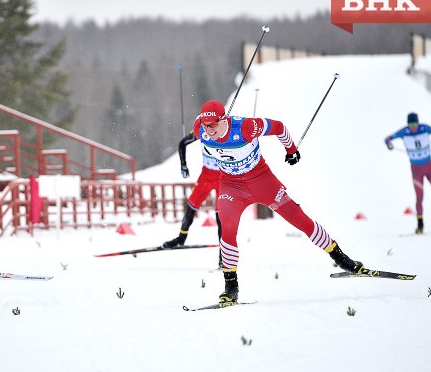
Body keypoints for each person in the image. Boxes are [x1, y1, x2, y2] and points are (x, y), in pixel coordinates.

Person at [193, 100, 364, 305]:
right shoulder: (199, 130)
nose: (208, 130)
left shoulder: (247, 127)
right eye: (205, 124)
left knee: (298, 218)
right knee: (227, 228)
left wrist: (291, 150)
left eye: (212, 124)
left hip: (261, 181)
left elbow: (279, 127)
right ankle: (231, 287)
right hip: (231, 185)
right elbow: (198, 129)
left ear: (224, 119)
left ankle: (342, 259)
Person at [162, 132, 221, 250]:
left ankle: (224, 253)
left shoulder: (228, 128)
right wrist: (183, 165)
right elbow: (182, 143)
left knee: (221, 215)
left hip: (223, 177)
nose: (209, 128)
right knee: (191, 206)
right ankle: (181, 238)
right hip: (206, 176)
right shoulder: (202, 128)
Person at [384, 112, 431, 234]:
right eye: (410, 124)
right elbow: (387, 139)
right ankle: (420, 224)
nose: (413, 126)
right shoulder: (404, 132)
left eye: (414, 123)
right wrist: (389, 144)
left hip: (429, 166)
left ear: (418, 122)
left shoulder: (425, 128)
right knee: (419, 197)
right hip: (416, 170)